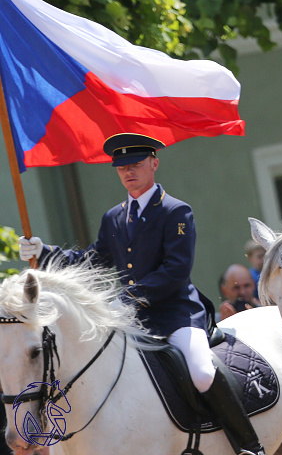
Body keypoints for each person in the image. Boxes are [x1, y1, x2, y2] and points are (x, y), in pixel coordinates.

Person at [17, 134, 267, 455]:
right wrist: (46, 251)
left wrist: (128, 297)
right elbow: (94, 260)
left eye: (135, 164)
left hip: (175, 314)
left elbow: (175, 270)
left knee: (202, 372)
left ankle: (250, 445)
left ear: (154, 163)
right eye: (121, 167)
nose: (128, 172)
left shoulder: (176, 211)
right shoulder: (114, 217)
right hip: (132, 320)